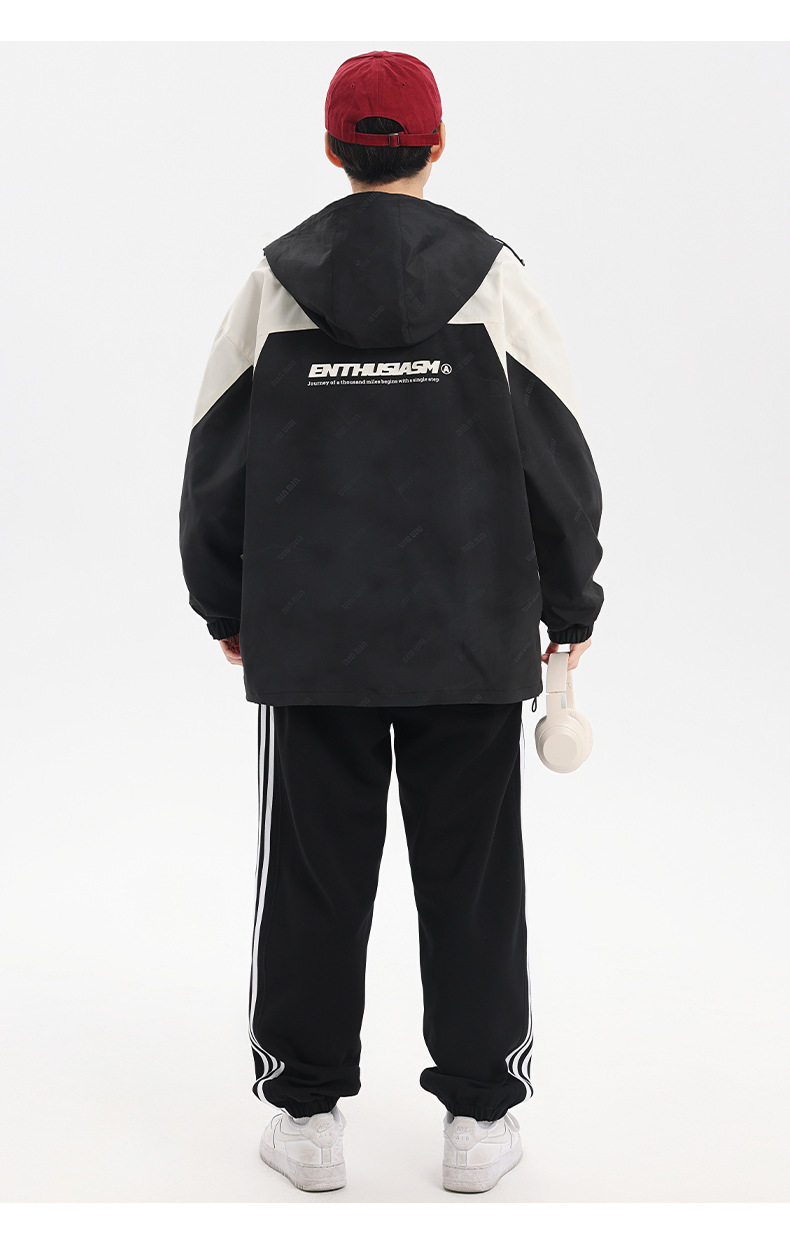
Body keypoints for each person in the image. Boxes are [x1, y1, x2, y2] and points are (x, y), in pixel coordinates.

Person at [178, 48, 604, 1195]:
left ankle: (306, 1117)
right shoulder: (494, 279)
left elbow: (215, 458)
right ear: (437, 143)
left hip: (314, 637)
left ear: (331, 149)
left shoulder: (273, 282)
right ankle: (478, 1120)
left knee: (313, 877)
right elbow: (557, 456)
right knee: (473, 879)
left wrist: (224, 603)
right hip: (471, 633)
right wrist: (571, 601)